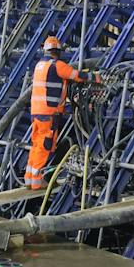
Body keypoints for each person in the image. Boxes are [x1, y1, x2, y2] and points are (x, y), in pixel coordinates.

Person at [26, 35, 99, 189]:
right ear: (57, 51)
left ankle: (30, 178)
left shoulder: (40, 65)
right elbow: (77, 76)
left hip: (36, 112)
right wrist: (95, 77)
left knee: (36, 144)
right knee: (45, 145)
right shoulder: (57, 65)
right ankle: (37, 182)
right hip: (49, 112)